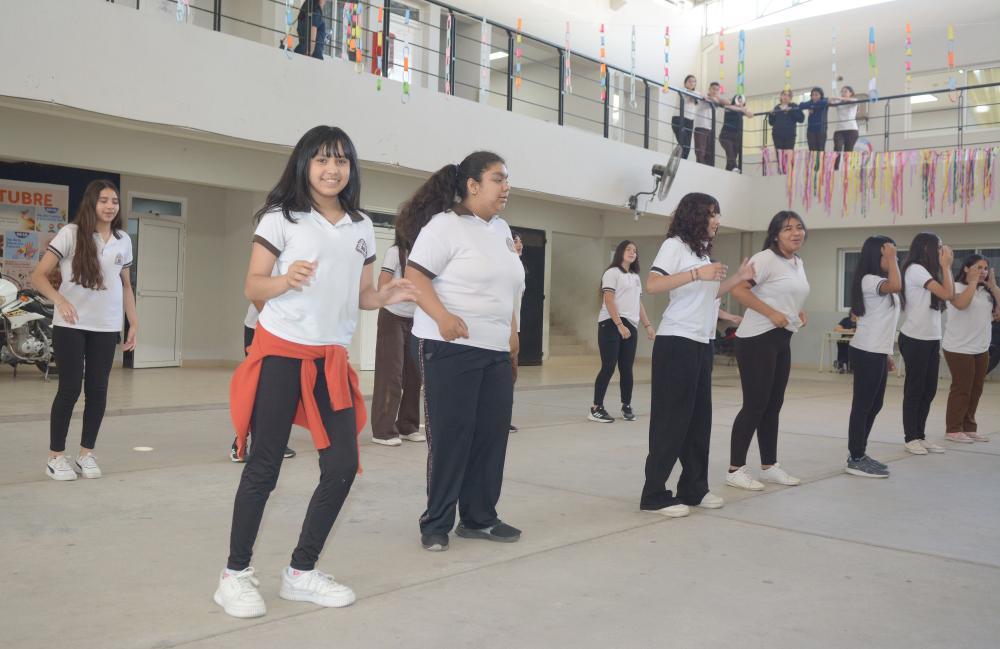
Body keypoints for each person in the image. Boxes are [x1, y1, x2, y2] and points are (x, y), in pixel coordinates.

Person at [214, 126, 417, 619]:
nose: (332, 169)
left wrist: (383, 297)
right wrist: (285, 279)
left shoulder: (361, 226)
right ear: (305, 163)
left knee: (343, 465)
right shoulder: (281, 217)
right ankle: (234, 575)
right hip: (281, 353)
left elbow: (361, 294)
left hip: (330, 359)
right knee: (264, 466)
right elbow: (253, 286)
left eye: (342, 160)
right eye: (323, 159)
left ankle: (301, 572)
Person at [403, 152, 524, 552]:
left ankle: (479, 518)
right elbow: (415, 276)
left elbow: (507, 287)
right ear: (473, 185)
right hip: (449, 348)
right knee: (451, 437)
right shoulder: (444, 226)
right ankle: (436, 522)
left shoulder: (502, 230)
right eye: (498, 179)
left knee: (490, 437)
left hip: (494, 350)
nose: (506, 186)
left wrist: (512, 334)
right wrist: (442, 316)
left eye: (506, 179)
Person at [640, 192, 753, 518]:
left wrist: (737, 279)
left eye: (718, 214)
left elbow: (709, 295)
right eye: (711, 214)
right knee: (671, 422)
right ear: (694, 216)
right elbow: (653, 284)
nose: (717, 220)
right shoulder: (674, 245)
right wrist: (696, 274)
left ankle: (693, 487)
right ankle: (654, 494)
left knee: (699, 422)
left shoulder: (701, 252)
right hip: (676, 342)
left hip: (702, 343)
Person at [31, 180, 137, 481]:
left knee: (98, 390)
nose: (110, 206)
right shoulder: (71, 233)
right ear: (91, 203)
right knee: (69, 388)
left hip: (106, 326)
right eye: (103, 200)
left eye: (114, 201)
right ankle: (55, 457)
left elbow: (125, 285)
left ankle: (86, 454)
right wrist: (60, 300)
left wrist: (133, 322)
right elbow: (38, 276)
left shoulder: (123, 240)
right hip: (71, 325)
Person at [726, 211, 810, 491]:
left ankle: (769, 466)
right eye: (787, 229)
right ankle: (735, 469)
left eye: (799, 227)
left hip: (782, 338)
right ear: (775, 235)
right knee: (755, 405)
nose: (795, 233)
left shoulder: (797, 262)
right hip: (756, 339)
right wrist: (772, 313)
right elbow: (739, 290)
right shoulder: (765, 259)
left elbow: (785, 294)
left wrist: (797, 311)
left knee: (773, 405)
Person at [845, 236, 901, 478]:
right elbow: (896, 285)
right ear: (876, 256)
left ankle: (860, 453)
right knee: (863, 406)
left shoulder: (880, 281)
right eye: (888, 254)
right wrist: (892, 257)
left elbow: (884, 322)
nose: (894, 258)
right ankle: (855, 457)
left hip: (877, 351)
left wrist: (887, 353)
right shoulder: (869, 280)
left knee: (874, 405)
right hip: (866, 350)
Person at [898, 233, 953, 455]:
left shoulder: (930, 272)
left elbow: (948, 295)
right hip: (915, 338)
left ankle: (920, 435)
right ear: (926, 248)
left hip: (931, 339)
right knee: (915, 390)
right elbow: (947, 293)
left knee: (928, 390)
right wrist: (946, 266)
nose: (942, 250)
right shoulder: (915, 269)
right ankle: (910, 437)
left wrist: (944, 268)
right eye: (938, 246)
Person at [589, 240, 655, 424]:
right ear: (620, 252)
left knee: (626, 368)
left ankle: (626, 405)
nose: (633, 252)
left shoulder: (635, 277)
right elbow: (609, 300)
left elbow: (638, 303)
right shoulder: (612, 273)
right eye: (628, 249)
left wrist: (648, 325)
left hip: (630, 325)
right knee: (609, 366)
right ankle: (596, 408)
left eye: (635, 250)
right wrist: (619, 324)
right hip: (611, 323)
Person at [370, 236, 426, 447]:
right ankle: (383, 430)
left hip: (417, 319)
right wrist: (398, 291)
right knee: (391, 373)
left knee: (414, 375)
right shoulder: (395, 252)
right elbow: (382, 285)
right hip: (392, 316)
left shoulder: (427, 253)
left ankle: (408, 426)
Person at [941, 256, 1000, 443]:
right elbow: (961, 304)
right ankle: (953, 429)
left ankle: (968, 427)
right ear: (966, 269)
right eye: (978, 267)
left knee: (976, 389)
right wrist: (973, 282)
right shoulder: (955, 287)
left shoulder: (985, 292)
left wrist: (994, 287)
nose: (983, 271)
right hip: (959, 348)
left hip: (981, 347)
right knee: (962, 388)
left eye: (985, 268)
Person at [231, 303, 297, 461]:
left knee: (279, 390)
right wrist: (275, 317)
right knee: (258, 389)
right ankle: (240, 443)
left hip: (284, 333)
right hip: (259, 329)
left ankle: (273, 442)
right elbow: (255, 294)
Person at [509, 230, 525, 433]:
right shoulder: (506, 267)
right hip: (504, 329)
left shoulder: (518, 267)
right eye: (515, 240)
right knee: (506, 376)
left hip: (515, 328)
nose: (519, 244)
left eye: (520, 241)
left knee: (511, 377)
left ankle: (503, 417)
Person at [768, 90, 804, 172]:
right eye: (784, 95)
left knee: (789, 155)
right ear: (781, 96)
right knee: (779, 156)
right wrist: (771, 115)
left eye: (788, 95)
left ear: (791, 98)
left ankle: (789, 173)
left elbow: (801, 119)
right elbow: (771, 123)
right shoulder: (776, 107)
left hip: (790, 135)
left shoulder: (794, 106)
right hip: (777, 135)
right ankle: (781, 172)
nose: (785, 97)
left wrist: (791, 112)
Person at [719, 95, 754, 172]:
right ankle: (734, 166)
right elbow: (726, 106)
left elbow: (751, 115)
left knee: (734, 155)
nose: (739, 102)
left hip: (736, 137)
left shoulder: (741, 111)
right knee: (730, 152)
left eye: (741, 101)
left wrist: (743, 109)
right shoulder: (729, 107)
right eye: (738, 100)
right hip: (726, 135)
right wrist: (741, 109)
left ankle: (728, 171)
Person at [693, 82, 722, 166]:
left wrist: (713, 99)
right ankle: (701, 168)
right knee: (700, 151)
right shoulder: (703, 96)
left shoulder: (717, 100)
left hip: (711, 129)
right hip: (701, 126)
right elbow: (697, 94)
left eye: (717, 90)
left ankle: (709, 169)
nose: (715, 91)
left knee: (709, 152)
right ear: (709, 89)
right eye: (713, 89)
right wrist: (707, 97)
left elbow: (727, 102)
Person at [831, 85, 860, 169]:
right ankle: (835, 168)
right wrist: (832, 99)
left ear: (851, 93)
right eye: (842, 91)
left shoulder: (854, 101)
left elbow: (854, 100)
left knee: (848, 151)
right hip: (839, 130)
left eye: (845, 91)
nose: (843, 93)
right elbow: (830, 102)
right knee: (837, 148)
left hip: (851, 129)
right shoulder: (839, 102)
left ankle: (847, 169)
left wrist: (838, 98)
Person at [670, 75, 698, 159]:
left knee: (687, 147)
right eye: (690, 81)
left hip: (690, 121)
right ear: (685, 83)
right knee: (683, 143)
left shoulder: (697, 94)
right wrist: (696, 95)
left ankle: (680, 161)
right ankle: (676, 160)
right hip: (678, 118)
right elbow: (691, 96)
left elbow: (697, 98)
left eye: (694, 81)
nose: (692, 83)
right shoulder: (682, 90)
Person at [798, 87, 830, 152]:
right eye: (812, 95)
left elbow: (824, 103)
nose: (814, 97)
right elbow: (801, 105)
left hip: (821, 130)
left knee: (820, 151)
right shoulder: (810, 102)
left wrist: (811, 106)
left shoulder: (824, 101)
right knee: (812, 151)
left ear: (821, 95)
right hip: (810, 131)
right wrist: (811, 105)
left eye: (816, 95)